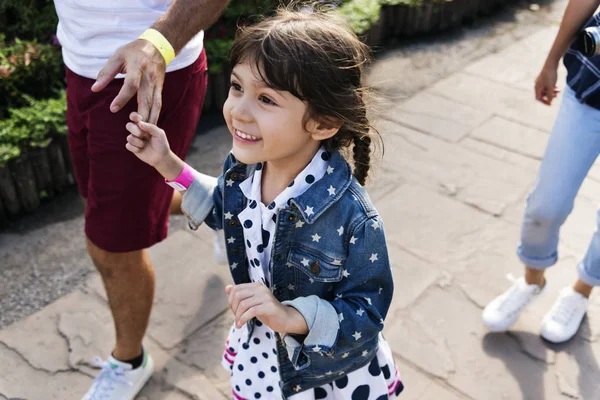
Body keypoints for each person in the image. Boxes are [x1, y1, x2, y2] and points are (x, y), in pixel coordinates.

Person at [125, 7, 405, 399]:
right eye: (237, 87)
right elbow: (225, 209)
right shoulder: (244, 170)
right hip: (261, 354)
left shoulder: (352, 217)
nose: (238, 110)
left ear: (322, 123)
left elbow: (366, 314)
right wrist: (167, 163)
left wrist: (290, 316)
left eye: (266, 100)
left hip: (319, 373)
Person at [51, 0, 229, 398]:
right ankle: (222, 208)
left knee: (110, 244)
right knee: (106, 208)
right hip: (82, 66)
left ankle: (129, 361)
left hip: (145, 75)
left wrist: (160, 41)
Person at [482, 0, 600, 343]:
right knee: (545, 206)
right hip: (590, 90)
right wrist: (550, 61)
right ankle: (532, 282)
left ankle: (581, 292)